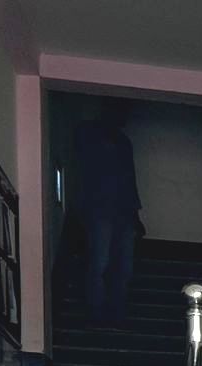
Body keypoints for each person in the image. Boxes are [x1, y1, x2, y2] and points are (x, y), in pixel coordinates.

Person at [75, 99, 141, 325]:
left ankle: (116, 310)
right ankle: (96, 311)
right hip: (100, 209)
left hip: (123, 211)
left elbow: (129, 179)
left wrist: (135, 214)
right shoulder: (89, 134)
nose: (125, 118)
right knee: (100, 261)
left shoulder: (123, 142)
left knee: (124, 266)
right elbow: (86, 173)